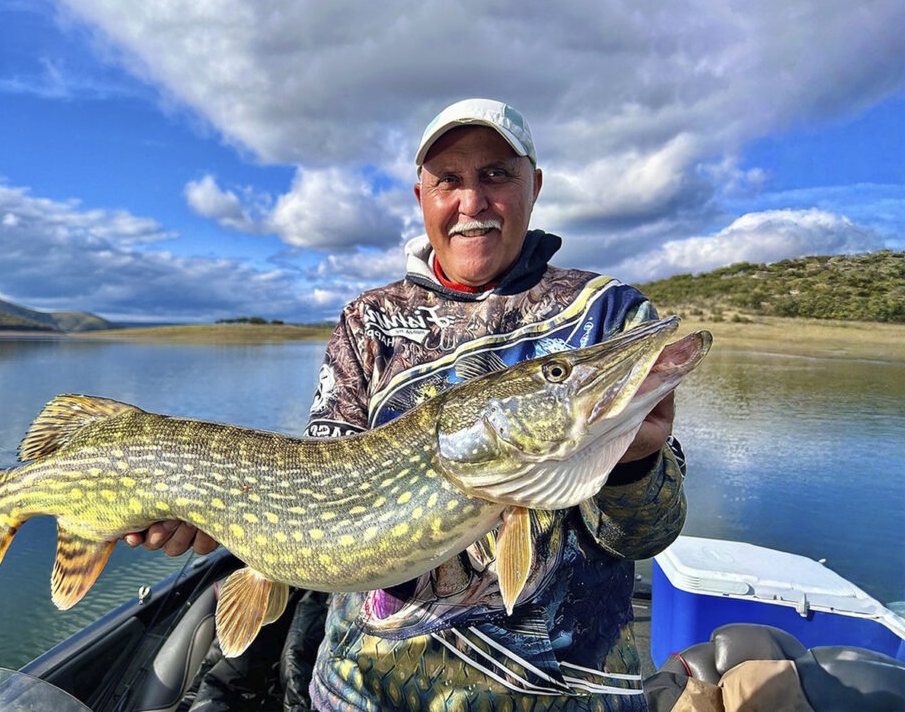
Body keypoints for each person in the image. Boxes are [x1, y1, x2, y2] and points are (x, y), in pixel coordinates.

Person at [130, 98, 687, 711]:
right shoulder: (369, 322)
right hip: (366, 694)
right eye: (449, 180)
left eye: (496, 174)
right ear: (422, 195)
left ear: (535, 185)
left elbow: (648, 534)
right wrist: (218, 517)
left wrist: (635, 463)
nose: (471, 201)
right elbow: (317, 493)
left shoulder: (610, 317)